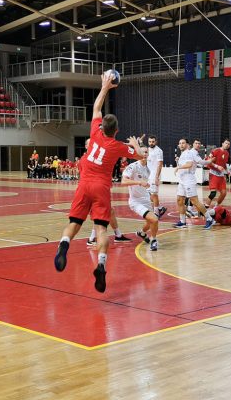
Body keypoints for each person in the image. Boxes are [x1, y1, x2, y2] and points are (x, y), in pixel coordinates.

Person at [54, 72, 142, 294]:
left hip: (84, 184)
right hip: (101, 187)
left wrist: (104, 87)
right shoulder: (119, 146)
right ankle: (101, 264)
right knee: (101, 229)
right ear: (117, 131)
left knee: (74, 223)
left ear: (102, 126)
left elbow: (95, 109)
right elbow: (141, 156)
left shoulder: (94, 133)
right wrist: (136, 145)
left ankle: (64, 244)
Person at [122, 153, 160, 251]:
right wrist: (139, 182)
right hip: (135, 201)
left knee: (150, 222)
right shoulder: (132, 166)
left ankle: (141, 233)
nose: (144, 154)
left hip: (146, 199)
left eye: (146, 153)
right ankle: (154, 240)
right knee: (154, 219)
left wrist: (150, 193)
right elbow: (124, 181)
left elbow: (145, 186)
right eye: (141, 152)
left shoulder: (148, 169)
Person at [173, 138, 214, 229]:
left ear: (188, 145)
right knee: (180, 200)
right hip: (182, 180)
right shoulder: (183, 154)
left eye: (183, 143)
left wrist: (178, 167)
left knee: (194, 201)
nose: (181, 145)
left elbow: (189, 164)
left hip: (189, 180)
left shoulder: (188, 153)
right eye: (180, 143)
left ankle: (209, 219)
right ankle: (183, 222)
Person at [205, 138, 230, 208]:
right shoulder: (216, 151)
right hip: (213, 174)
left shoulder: (227, 153)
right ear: (222, 143)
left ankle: (216, 207)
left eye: (228, 144)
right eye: (226, 143)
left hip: (221, 175)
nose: (227, 145)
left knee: (224, 193)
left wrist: (227, 170)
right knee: (213, 193)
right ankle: (204, 209)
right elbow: (207, 160)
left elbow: (224, 163)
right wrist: (217, 166)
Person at [147, 135, 167, 218]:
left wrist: (156, 177)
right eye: (150, 141)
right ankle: (160, 208)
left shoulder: (159, 151)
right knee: (148, 194)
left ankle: (156, 213)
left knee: (154, 194)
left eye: (153, 141)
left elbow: (160, 164)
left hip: (155, 175)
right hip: (148, 175)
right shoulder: (147, 150)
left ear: (156, 142)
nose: (151, 143)